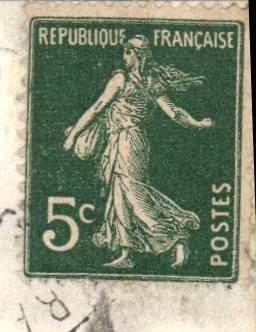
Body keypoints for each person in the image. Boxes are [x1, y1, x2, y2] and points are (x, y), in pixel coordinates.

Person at [62, 35, 213, 269]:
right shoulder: (152, 82)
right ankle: (127, 253)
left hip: (127, 141)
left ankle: (176, 237)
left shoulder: (121, 80)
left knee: (134, 194)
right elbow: (174, 112)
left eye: (127, 53)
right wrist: (197, 123)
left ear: (136, 55)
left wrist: (73, 134)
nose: (124, 57)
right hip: (130, 140)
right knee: (120, 195)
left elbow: (97, 107)